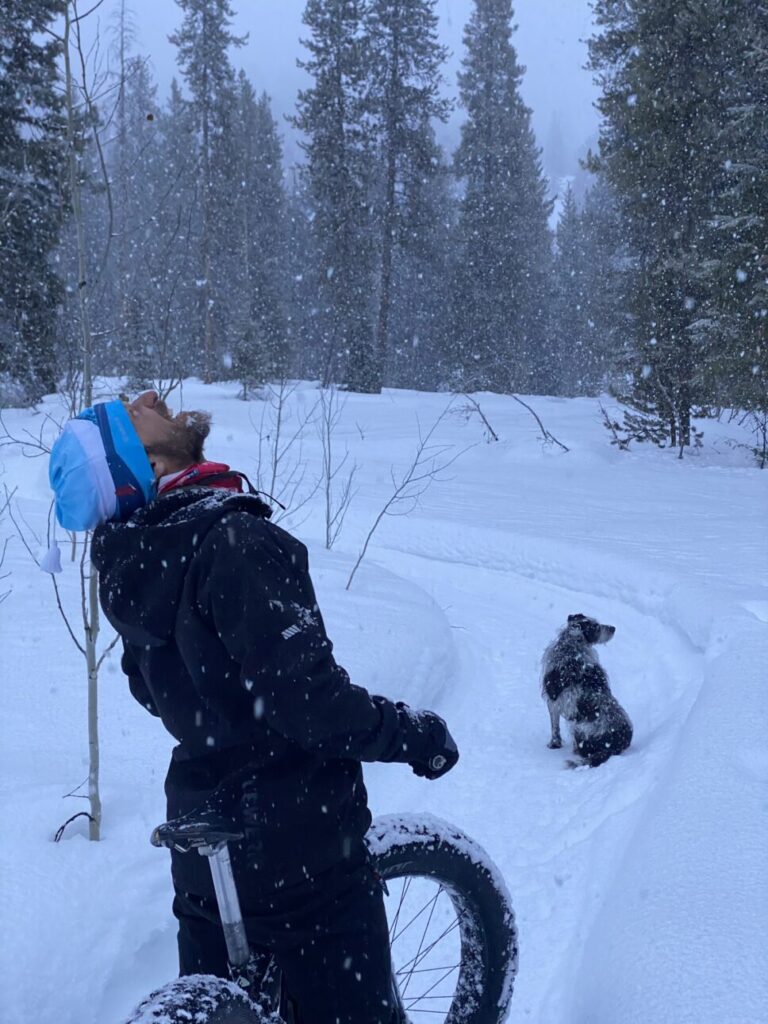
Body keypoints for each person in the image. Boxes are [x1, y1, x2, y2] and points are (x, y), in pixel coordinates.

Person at [49, 390, 459, 1024]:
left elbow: (150, 691)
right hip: (299, 846)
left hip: (202, 837)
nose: (152, 397)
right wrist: (409, 733)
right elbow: (311, 704)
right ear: (148, 466)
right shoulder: (234, 540)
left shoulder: (130, 559)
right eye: (133, 414)